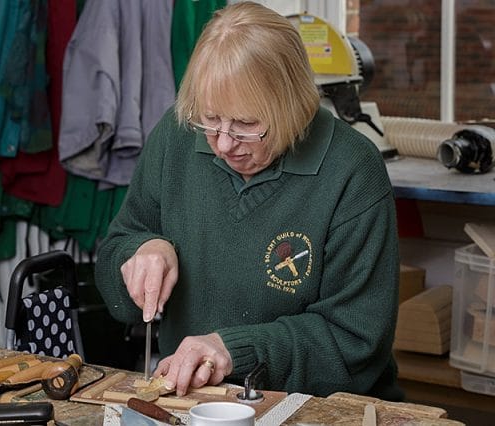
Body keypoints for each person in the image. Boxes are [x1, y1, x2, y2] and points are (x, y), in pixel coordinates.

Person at [94, 1, 402, 401]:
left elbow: (355, 340)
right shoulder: (175, 138)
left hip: (315, 408)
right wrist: (141, 252)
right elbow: (116, 259)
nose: (223, 143)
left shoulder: (352, 169)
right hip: (193, 401)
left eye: (246, 124)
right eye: (211, 120)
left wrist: (234, 351)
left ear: (293, 104)